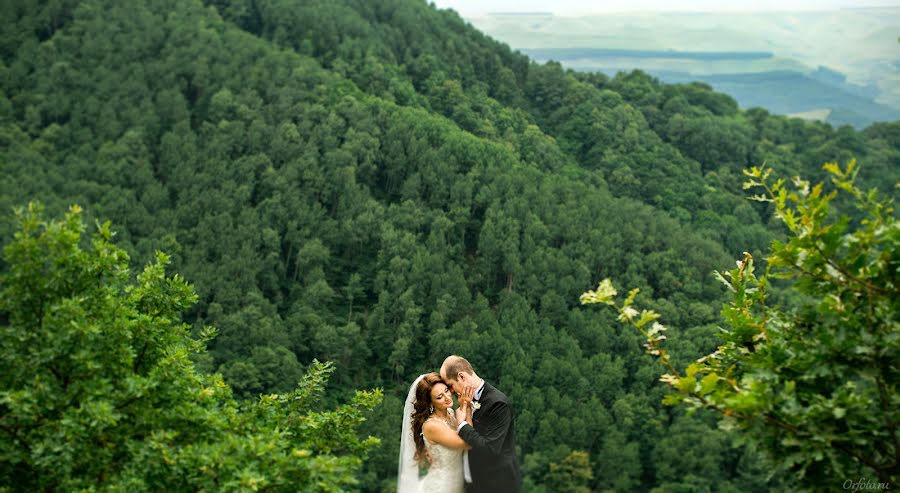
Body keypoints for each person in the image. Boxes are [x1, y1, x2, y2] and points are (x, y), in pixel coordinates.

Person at [441, 355, 521, 493]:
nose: (451, 392)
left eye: (450, 385)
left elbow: (490, 450)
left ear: (462, 377)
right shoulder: (462, 403)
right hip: (471, 484)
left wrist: (462, 426)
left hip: (497, 485)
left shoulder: (498, 403)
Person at [398, 372, 471, 493]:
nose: (447, 397)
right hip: (442, 486)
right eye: (439, 397)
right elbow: (468, 442)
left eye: (446, 390)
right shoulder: (432, 426)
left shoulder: (451, 414)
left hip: (458, 482)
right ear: (430, 402)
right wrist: (466, 407)